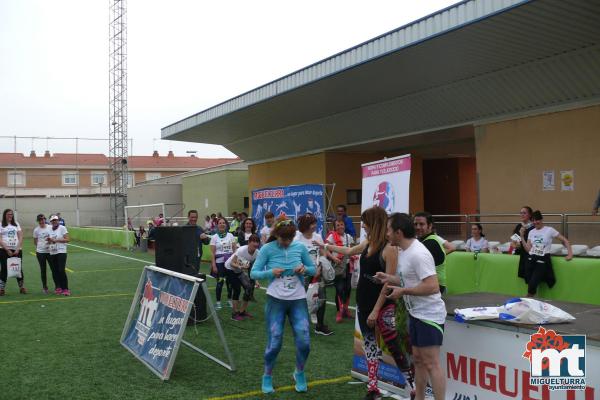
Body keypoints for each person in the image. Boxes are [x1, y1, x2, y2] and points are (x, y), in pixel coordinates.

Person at [321, 207, 412, 400]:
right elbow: (348, 250)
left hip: (383, 306)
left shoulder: (389, 249)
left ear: (374, 223)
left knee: (393, 345)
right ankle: (373, 388)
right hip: (363, 302)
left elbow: (388, 283)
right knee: (369, 345)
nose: (362, 225)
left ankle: (412, 387)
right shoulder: (368, 243)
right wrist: (327, 246)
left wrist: (376, 310)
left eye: (365, 222)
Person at [376, 212, 447, 400]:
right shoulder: (405, 251)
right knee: (418, 360)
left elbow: (432, 286)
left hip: (429, 316)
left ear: (398, 232)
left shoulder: (418, 253)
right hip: (415, 313)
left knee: (431, 364)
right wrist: (389, 278)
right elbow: (408, 279)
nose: (387, 234)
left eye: (389, 230)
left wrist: (403, 292)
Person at [250, 217, 316, 394]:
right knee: (275, 341)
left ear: (294, 236)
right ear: (276, 235)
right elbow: (253, 273)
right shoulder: (267, 249)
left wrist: (304, 269)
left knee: (304, 341)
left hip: (298, 300)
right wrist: (270, 272)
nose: (286, 242)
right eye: (283, 239)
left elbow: (313, 269)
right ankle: (267, 376)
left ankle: (299, 372)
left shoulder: (300, 247)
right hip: (275, 300)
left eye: (289, 239)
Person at [295, 213, 332, 336]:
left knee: (321, 298)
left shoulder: (317, 237)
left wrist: (321, 266)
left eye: (315, 223)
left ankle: (319, 325)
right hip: (302, 274)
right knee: (301, 299)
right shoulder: (297, 238)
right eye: (312, 223)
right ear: (305, 225)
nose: (315, 225)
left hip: (317, 273)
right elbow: (294, 255)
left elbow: (323, 252)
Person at [523, 210, 573, 297]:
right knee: (530, 281)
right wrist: (521, 236)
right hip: (532, 258)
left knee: (533, 283)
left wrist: (570, 254)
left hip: (543, 259)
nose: (535, 222)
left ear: (541, 220)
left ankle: (528, 298)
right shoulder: (531, 232)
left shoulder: (549, 230)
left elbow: (565, 240)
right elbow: (528, 249)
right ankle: (531, 301)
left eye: (537, 220)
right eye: (533, 220)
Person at [225, 234, 261, 320]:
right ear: (249, 242)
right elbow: (232, 263)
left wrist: (256, 280)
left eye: (257, 242)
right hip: (230, 269)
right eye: (253, 241)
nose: (255, 244)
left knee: (248, 288)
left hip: (239, 270)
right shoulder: (241, 250)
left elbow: (253, 268)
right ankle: (234, 314)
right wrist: (241, 267)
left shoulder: (257, 253)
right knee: (237, 289)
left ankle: (242, 312)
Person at [325, 219, 355, 323]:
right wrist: (333, 258)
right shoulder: (331, 236)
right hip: (337, 266)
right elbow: (325, 250)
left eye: (341, 224)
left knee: (348, 288)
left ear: (344, 225)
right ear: (334, 227)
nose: (340, 226)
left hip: (348, 267)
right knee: (339, 289)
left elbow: (352, 250)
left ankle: (346, 310)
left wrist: (353, 256)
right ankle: (339, 312)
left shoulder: (348, 237)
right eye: (337, 225)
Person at [414, 212, 447, 295]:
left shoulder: (430, 242)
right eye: (415, 224)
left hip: (435, 286)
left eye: (421, 224)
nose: (417, 227)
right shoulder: (426, 239)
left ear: (430, 226)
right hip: (433, 283)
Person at [210, 217, 237, 309]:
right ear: (217, 225)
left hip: (229, 264)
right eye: (220, 223)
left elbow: (234, 250)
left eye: (223, 223)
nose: (222, 224)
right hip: (219, 264)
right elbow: (212, 253)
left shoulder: (230, 236)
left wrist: (234, 262)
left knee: (230, 282)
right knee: (220, 282)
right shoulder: (214, 237)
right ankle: (218, 303)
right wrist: (214, 265)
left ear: (226, 225)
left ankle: (229, 300)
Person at [0, 208, 26, 295]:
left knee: (18, 269)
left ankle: (22, 287)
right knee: (4, 269)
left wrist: (17, 248)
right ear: (5, 215)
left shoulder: (16, 224)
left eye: (11, 214)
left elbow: (20, 236)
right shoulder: (1, 224)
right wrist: (7, 249)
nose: (10, 216)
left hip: (17, 250)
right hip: (4, 250)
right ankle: (1, 289)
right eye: (8, 214)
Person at [48, 215, 70, 296]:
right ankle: (58, 287)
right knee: (55, 271)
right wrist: (49, 241)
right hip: (52, 252)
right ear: (51, 222)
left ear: (58, 221)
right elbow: (50, 240)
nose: (54, 221)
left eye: (56, 220)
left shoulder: (62, 228)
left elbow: (67, 239)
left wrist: (56, 240)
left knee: (61, 270)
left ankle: (65, 289)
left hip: (61, 251)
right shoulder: (49, 229)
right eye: (53, 220)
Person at [33, 214, 55, 294]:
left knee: (54, 269)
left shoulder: (50, 227)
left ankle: (57, 286)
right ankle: (45, 287)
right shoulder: (36, 230)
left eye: (43, 219)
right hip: (40, 253)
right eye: (40, 220)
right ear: (38, 221)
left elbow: (54, 237)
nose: (42, 221)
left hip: (50, 252)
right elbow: (35, 242)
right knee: (43, 270)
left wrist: (50, 242)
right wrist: (41, 246)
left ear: (45, 219)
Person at [513, 206, 535, 282]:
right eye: (521, 213)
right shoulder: (519, 226)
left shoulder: (534, 227)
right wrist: (515, 244)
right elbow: (514, 241)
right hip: (519, 253)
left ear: (530, 215)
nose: (522, 215)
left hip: (530, 255)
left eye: (524, 213)